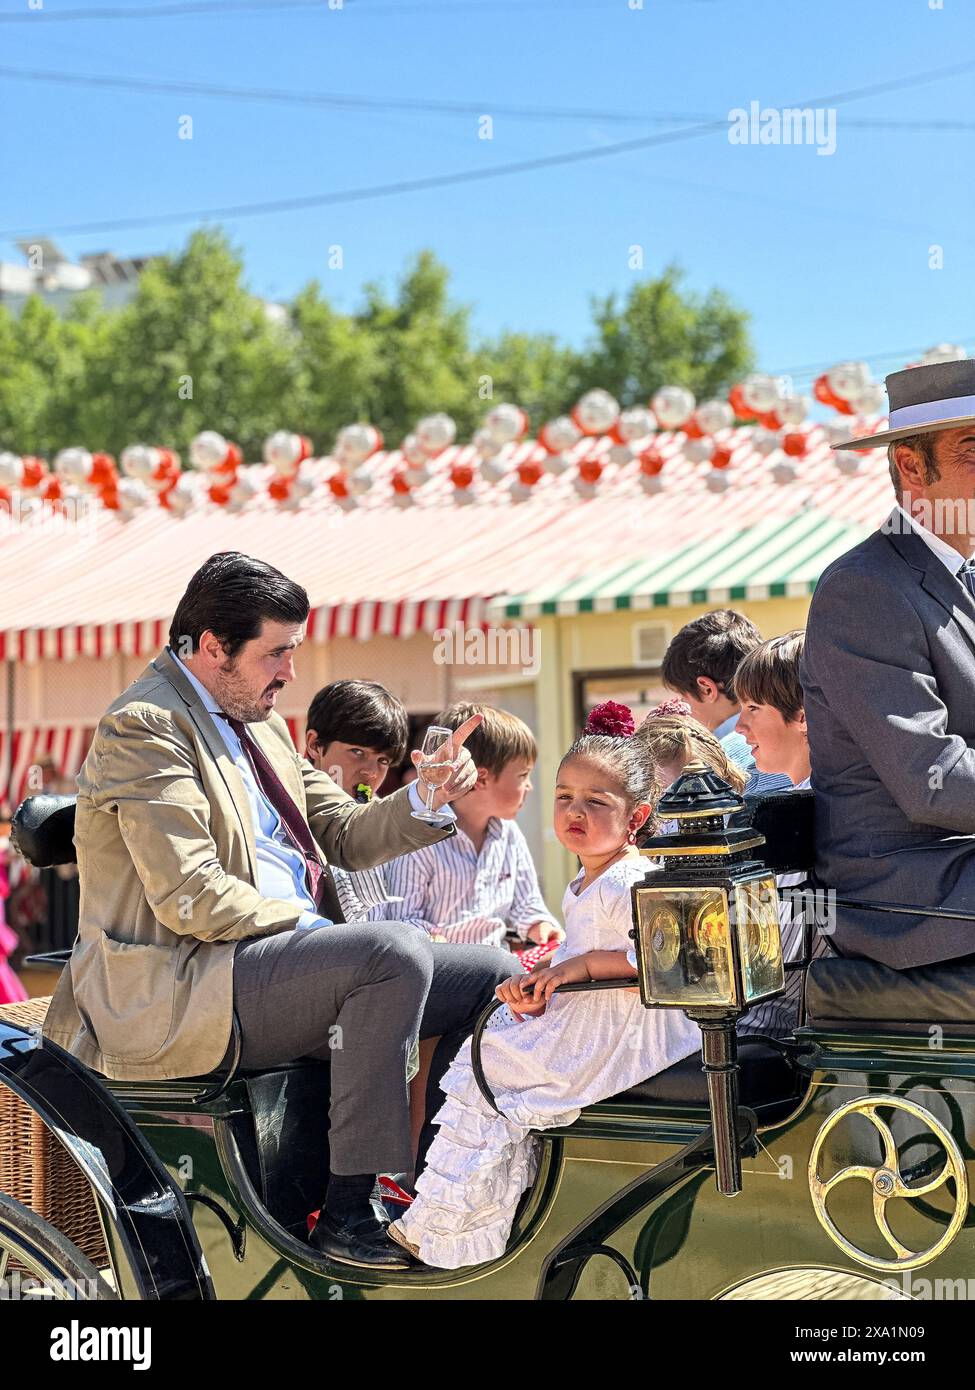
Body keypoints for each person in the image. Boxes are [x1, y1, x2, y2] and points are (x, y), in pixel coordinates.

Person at [41, 552, 517, 1269]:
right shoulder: (143, 726)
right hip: (185, 983)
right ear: (210, 646)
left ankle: (438, 1187)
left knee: (495, 974)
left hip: (265, 964)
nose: (291, 672)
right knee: (387, 954)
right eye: (277, 652)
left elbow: (346, 834)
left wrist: (428, 798)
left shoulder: (256, 717)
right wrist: (323, 936)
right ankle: (351, 1213)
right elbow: (192, 894)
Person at [386, 702, 701, 1269]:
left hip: (633, 1021)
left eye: (596, 802)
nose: (573, 812)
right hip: (598, 1007)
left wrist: (569, 971)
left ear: (637, 817)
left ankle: (450, 1225)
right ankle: (456, 1220)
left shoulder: (630, 876)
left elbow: (650, 959)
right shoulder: (589, 874)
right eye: (564, 797)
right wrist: (542, 983)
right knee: (490, 1047)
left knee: (489, 1062)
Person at [802, 358, 975, 969]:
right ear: (910, 465)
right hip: (907, 894)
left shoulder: (963, 579)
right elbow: (934, 778)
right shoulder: (865, 588)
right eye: (973, 450)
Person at [370, 702, 564, 954]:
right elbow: (402, 921)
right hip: (442, 973)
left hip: (495, 972)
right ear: (481, 779)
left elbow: (527, 904)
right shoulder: (421, 836)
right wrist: (449, 949)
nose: (529, 786)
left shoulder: (509, 834)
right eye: (522, 775)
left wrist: (542, 925)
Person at [735, 630, 827, 1035]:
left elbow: (781, 957)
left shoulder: (803, 811)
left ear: (803, 715)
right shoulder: (810, 799)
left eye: (753, 708)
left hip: (767, 1023)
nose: (739, 726)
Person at [661, 610, 792, 795]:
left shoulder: (717, 761)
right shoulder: (795, 742)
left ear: (707, 688)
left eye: (683, 697)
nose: (683, 709)